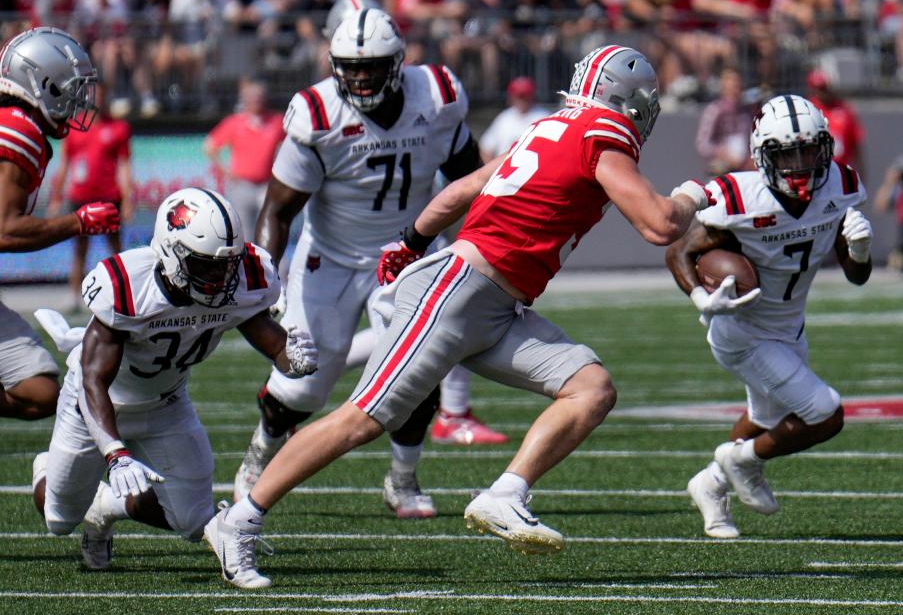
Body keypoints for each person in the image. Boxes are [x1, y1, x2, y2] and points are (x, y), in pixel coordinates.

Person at [204, 44, 714, 589]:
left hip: (493, 305)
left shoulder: (548, 128)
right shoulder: (601, 133)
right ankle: (239, 521)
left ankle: (505, 494)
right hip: (460, 291)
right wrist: (689, 194)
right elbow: (661, 225)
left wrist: (412, 239)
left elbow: (465, 188)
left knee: (591, 388)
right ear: (631, 99)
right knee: (361, 420)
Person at [230, 8, 499, 520]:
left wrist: (472, 245)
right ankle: (259, 457)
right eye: (349, 67)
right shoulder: (318, 113)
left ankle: (403, 479)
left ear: (398, 63)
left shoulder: (436, 97)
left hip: (408, 255)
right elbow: (278, 210)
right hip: (329, 258)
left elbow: (470, 178)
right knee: (302, 386)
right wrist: (267, 280)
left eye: (370, 66)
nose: (359, 77)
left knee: (418, 372)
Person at [30, 187, 318, 571]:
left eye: (228, 264)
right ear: (171, 253)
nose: (221, 276)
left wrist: (293, 359)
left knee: (191, 516)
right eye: (207, 265)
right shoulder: (130, 285)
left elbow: (270, 341)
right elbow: (92, 379)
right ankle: (47, 467)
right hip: (96, 406)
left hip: (166, 402)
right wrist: (115, 453)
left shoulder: (240, 279)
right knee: (59, 518)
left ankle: (104, 508)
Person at [667, 94, 873, 539]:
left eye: (810, 150)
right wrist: (700, 299)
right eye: (788, 154)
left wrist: (858, 250)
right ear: (763, 157)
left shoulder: (841, 183)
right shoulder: (740, 196)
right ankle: (741, 461)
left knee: (764, 419)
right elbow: (679, 251)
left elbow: (857, 277)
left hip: (789, 326)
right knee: (826, 413)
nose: (801, 165)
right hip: (740, 328)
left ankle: (711, 483)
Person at [0, 27, 119, 421]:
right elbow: (4, 230)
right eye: (69, 90)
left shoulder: (17, 124)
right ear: (41, 83)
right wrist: (77, 222)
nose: (76, 102)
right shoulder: (19, 130)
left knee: (38, 390)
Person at [48, 84, 135, 312]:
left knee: (116, 248)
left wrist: (127, 198)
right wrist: (56, 197)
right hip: (81, 196)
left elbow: (125, 165)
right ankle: (74, 294)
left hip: (108, 196)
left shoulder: (118, 128)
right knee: (79, 248)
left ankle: (126, 291)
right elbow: (64, 165)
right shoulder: (74, 128)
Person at [204, 78, 285, 237]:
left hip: (266, 185)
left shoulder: (276, 121)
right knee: (244, 232)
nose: (257, 100)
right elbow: (209, 145)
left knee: (270, 229)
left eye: (260, 97)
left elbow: (290, 144)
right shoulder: (235, 122)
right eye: (253, 97)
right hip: (241, 185)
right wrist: (224, 170)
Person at [694, 67, 755, 177]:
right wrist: (723, 152)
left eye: (737, 87)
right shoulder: (714, 111)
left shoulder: (747, 113)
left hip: (744, 169)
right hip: (721, 168)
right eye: (731, 88)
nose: (734, 91)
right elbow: (702, 144)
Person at [478, 76, 551, 163]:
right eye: (519, 96)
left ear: (532, 96)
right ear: (511, 97)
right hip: (504, 171)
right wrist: (492, 173)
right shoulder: (504, 118)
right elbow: (486, 149)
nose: (522, 100)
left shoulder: (544, 117)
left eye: (524, 96)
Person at [807, 69, 864, 172]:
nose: (822, 92)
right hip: (818, 172)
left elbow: (856, 144)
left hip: (842, 170)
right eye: (819, 88)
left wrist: (861, 172)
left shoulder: (844, 110)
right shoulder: (809, 110)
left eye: (824, 88)